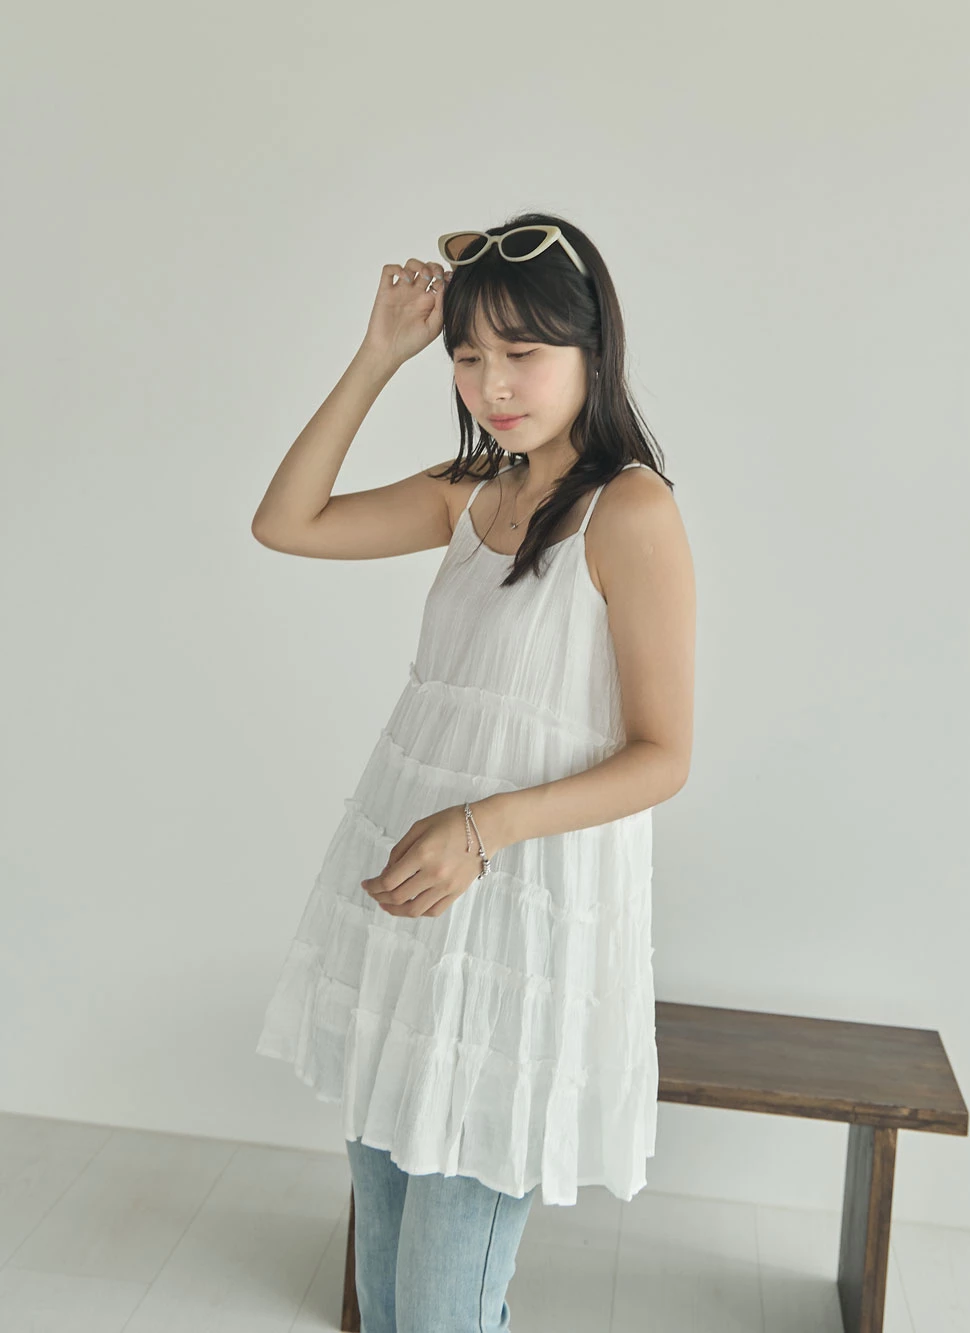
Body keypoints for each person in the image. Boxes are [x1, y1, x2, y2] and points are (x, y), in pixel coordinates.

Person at [252, 212, 696, 1333]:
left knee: (443, 1307)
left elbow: (663, 756)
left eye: (522, 352)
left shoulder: (629, 509)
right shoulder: (471, 491)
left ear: (592, 350)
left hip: (515, 936)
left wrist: (484, 826)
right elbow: (285, 522)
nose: (492, 384)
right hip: (410, 911)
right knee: (387, 1296)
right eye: (467, 355)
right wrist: (377, 354)